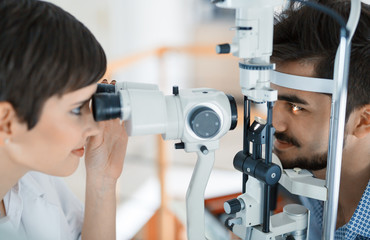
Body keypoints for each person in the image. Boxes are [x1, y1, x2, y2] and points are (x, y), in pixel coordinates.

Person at [0, 0, 128, 239]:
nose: (93, 127)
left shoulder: (33, 177)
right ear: (6, 122)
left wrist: (103, 180)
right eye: (77, 109)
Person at [271, 0, 369, 239]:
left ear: (362, 121)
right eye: (271, 101)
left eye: (295, 107)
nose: (273, 124)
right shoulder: (301, 182)